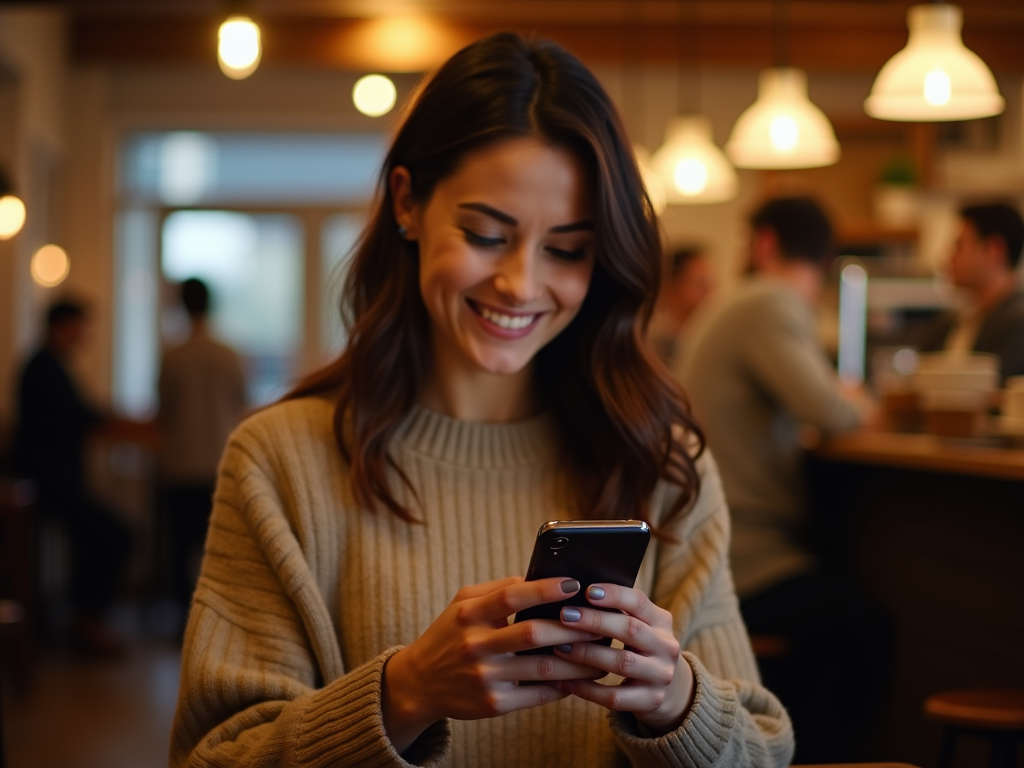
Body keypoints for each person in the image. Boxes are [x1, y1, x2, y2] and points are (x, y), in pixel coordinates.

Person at [169, 33, 793, 768]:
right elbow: (212, 757)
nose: (521, 285)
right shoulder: (281, 462)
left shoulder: (660, 460)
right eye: (486, 234)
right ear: (408, 202)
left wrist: (678, 703)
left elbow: (761, 752)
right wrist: (404, 694)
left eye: (565, 250)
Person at [675, 196, 890, 763]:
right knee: (864, 626)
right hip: (743, 554)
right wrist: (858, 400)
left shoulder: (742, 302)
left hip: (715, 542)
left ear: (765, 241)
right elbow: (835, 411)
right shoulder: (769, 301)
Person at [12, 299, 134, 657]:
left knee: (102, 537)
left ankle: (84, 619)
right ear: (63, 326)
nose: (86, 335)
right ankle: (86, 622)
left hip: (57, 484)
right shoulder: (43, 367)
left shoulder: (47, 364)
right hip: (50, 486)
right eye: (82, 327)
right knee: (116, 534)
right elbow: (77, 416)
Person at [157, 278, 246, 625]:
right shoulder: (230, 355)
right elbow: (240, 401)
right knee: (219, 548)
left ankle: (183, 618)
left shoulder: (173, 355)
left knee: (179, 548)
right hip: (220, 462)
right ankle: (218, 620)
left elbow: (165, 410)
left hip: (180, 462)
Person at [921, 202, 1024, 383]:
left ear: (994, 250)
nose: (948, 256)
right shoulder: (954, 321)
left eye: (958, 246)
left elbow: (996, 392)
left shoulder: (1017, 323)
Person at [648, 246, 714, 367]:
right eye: (700, 284)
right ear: (671, 285)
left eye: (711, 284)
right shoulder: (651, 340)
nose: (709, 293)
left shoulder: (706, 338)